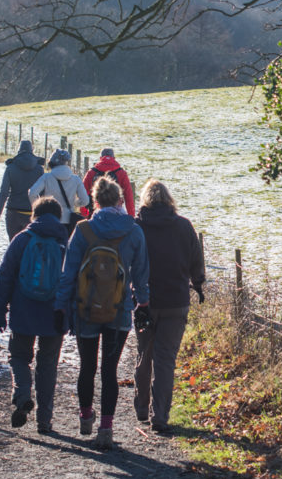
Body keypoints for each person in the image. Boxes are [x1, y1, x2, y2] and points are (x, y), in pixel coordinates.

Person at [55, 177, 149, 449]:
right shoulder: (133, 230)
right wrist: (143, 302)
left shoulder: (83, 230)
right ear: (120, 200)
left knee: (87, 366)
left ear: (94, 201)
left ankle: (85, 417)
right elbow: (141, 273)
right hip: (119, 310)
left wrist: (62, 305)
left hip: (85, 308)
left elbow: (68, 273)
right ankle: (106, 429)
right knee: (110, 370)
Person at [0, 196, 69, 434]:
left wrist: (0, 312)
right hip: (54, 313)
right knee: (48, 366)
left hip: (23, 311)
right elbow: (73, 281)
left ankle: (23, 393)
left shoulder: (22, 239)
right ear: (58, 217)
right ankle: (44, 420)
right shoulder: (65, 242)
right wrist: (71, 314)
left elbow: (5, 276)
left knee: (18, 357)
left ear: (34, 215)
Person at [133, 179, 205, 434]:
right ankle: (160, 415)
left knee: (144, 355)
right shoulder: (184, 226)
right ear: (169, 199)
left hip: (144, 303)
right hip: (176, 302)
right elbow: (196, 260)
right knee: (165, 360)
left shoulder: (137, 226)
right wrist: (198, 284)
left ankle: (142, 408)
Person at [29, 148, 89, 236]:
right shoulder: (76, 179)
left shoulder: (46, 177)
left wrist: (40, 207)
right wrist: (74, 202)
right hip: (69, 220)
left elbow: (32, 193)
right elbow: (85, 201)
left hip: (50, 219)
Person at [0, 140, 46, 240]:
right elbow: (44, 194)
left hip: (13, 213)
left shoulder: (10, 167)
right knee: (30, 245)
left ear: (18, 151)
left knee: (14, 245)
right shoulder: (39, 169)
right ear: (32, 150)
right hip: (32, 213)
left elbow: (3, 193)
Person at [80, 148, 135, 218]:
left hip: (95, 213)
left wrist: (84, 212)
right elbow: (129, 197)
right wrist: (131, 216)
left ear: (100, 158)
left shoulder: (91, 172)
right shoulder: (121, 173)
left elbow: (83, 194)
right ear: (114, 158)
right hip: (116, 214)